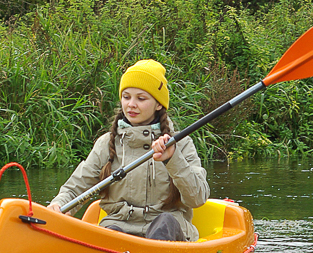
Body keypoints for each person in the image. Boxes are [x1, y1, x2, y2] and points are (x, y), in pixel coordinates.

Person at [48, 59, 208, 241]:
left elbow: (198, 198)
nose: (131, 104)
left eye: (141, 98)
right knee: (109, 233)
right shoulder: (106, 143)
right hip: (118, 227)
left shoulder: (182, 144)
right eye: (126, 97)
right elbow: (76, 187)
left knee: (165, 222)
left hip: (167, 231)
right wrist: (59, 204)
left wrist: (173, 159)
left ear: (158, 104)